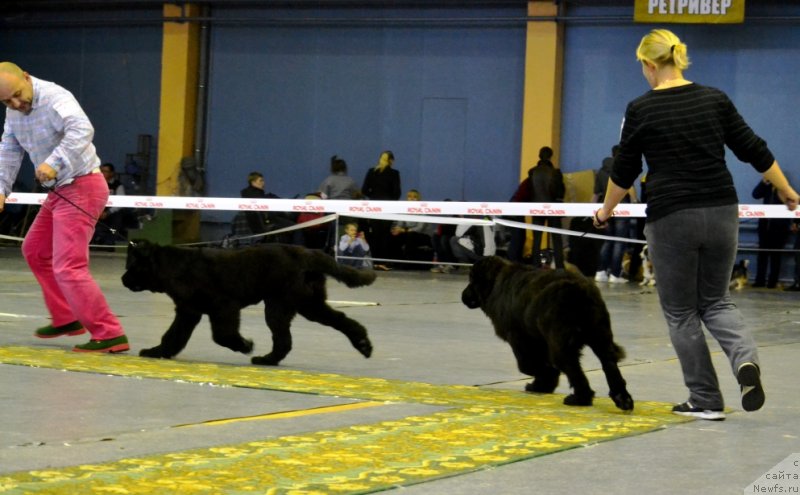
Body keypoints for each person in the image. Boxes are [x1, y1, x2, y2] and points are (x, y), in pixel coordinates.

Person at [593, 29, 799, 420]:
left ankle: (705, 399)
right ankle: (744, 362)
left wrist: (604, 212)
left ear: (649, 65)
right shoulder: (714, 98)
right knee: (716, 301)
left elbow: (624, 171)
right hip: (722, 210)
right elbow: (754, 149)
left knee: (681, 312)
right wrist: (787, 191)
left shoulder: (641, 108)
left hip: (673, 216)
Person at [0, 61, 129, 352]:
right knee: (34, 250)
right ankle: (66, 317)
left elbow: (82, 130)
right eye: (7, 101)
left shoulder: (57, 97)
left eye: (18, 94)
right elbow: (8, 149)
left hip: (82, 186)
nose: (16, 103)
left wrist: (53, 162)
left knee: (68, 266)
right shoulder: (13, 113)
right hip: (59, 192)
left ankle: (109, 333)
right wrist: (1, 189)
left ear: (27, 77)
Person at [594, 145, 636, 283]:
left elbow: (595, 193)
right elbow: (629, 188)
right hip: (621, 207)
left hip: (604, 208)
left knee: (607, 241)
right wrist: (635, 203)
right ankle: (615, 274)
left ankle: (601, 272)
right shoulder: (622, 167)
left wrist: (592, 211)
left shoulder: (601, 171)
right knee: (619, 241)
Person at [361, 150, 401, 270]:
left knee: (375, 234)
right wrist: (389, 200)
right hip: (387, 207)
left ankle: (375, 262)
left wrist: (373, 196)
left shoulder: (371, 172)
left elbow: (364, 190)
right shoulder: (394, 173)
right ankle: (383, 262)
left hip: (374, 207)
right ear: (391, 161)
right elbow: (397, 193)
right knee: (385, 235)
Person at [529, 146, 565, 269]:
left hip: (536, 208)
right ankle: (559, 266)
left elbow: (530, 191)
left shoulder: (532, 171)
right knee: (556, 238)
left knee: (537, 239)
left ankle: (535, 265)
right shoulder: (556, 172)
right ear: (551, 156)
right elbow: (560, 192)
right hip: (553, 208)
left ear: (539, 156)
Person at [751, 179, 791, 288]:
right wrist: (763, 182)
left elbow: (793, 204)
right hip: (765, 226)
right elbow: (755, 194)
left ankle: (772, 282)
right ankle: (760, 281)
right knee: (762, 254)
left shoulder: (786, 189)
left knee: (775, 255)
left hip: (779, 227)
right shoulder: (767, 188)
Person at [239, 171, 295, 244]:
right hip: (267, 224)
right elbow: (266, 213)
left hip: (261, 226)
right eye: (261, 180)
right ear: (253, 182)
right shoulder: (258, 196)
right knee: (296, 228)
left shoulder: (250, 195)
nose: (263, 183)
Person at [388, 189, 435, 269]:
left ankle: (407, 262)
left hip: (423, 235)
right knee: (393, 236)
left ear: (418, 199)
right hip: (408, 233)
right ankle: (395, 261)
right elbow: (400, 224)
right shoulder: (404, 209)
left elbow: (419, 228)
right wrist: (396, 230)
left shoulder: (422, 209)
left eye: (414, 197)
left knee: (411, 236)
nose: (412, 198)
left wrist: (403, 230)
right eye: (409, 197)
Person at [91, 162, 134, 248]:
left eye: (105, 171)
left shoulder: (117, 185)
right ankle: (92, 243)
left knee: (117, 218)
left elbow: (121, 202)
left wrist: (108, 212)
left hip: (111, 213)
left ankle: (109, 244)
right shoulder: (94, 183)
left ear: (112, 173)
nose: (103, 173)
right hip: (97, 211)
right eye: (101, 170)